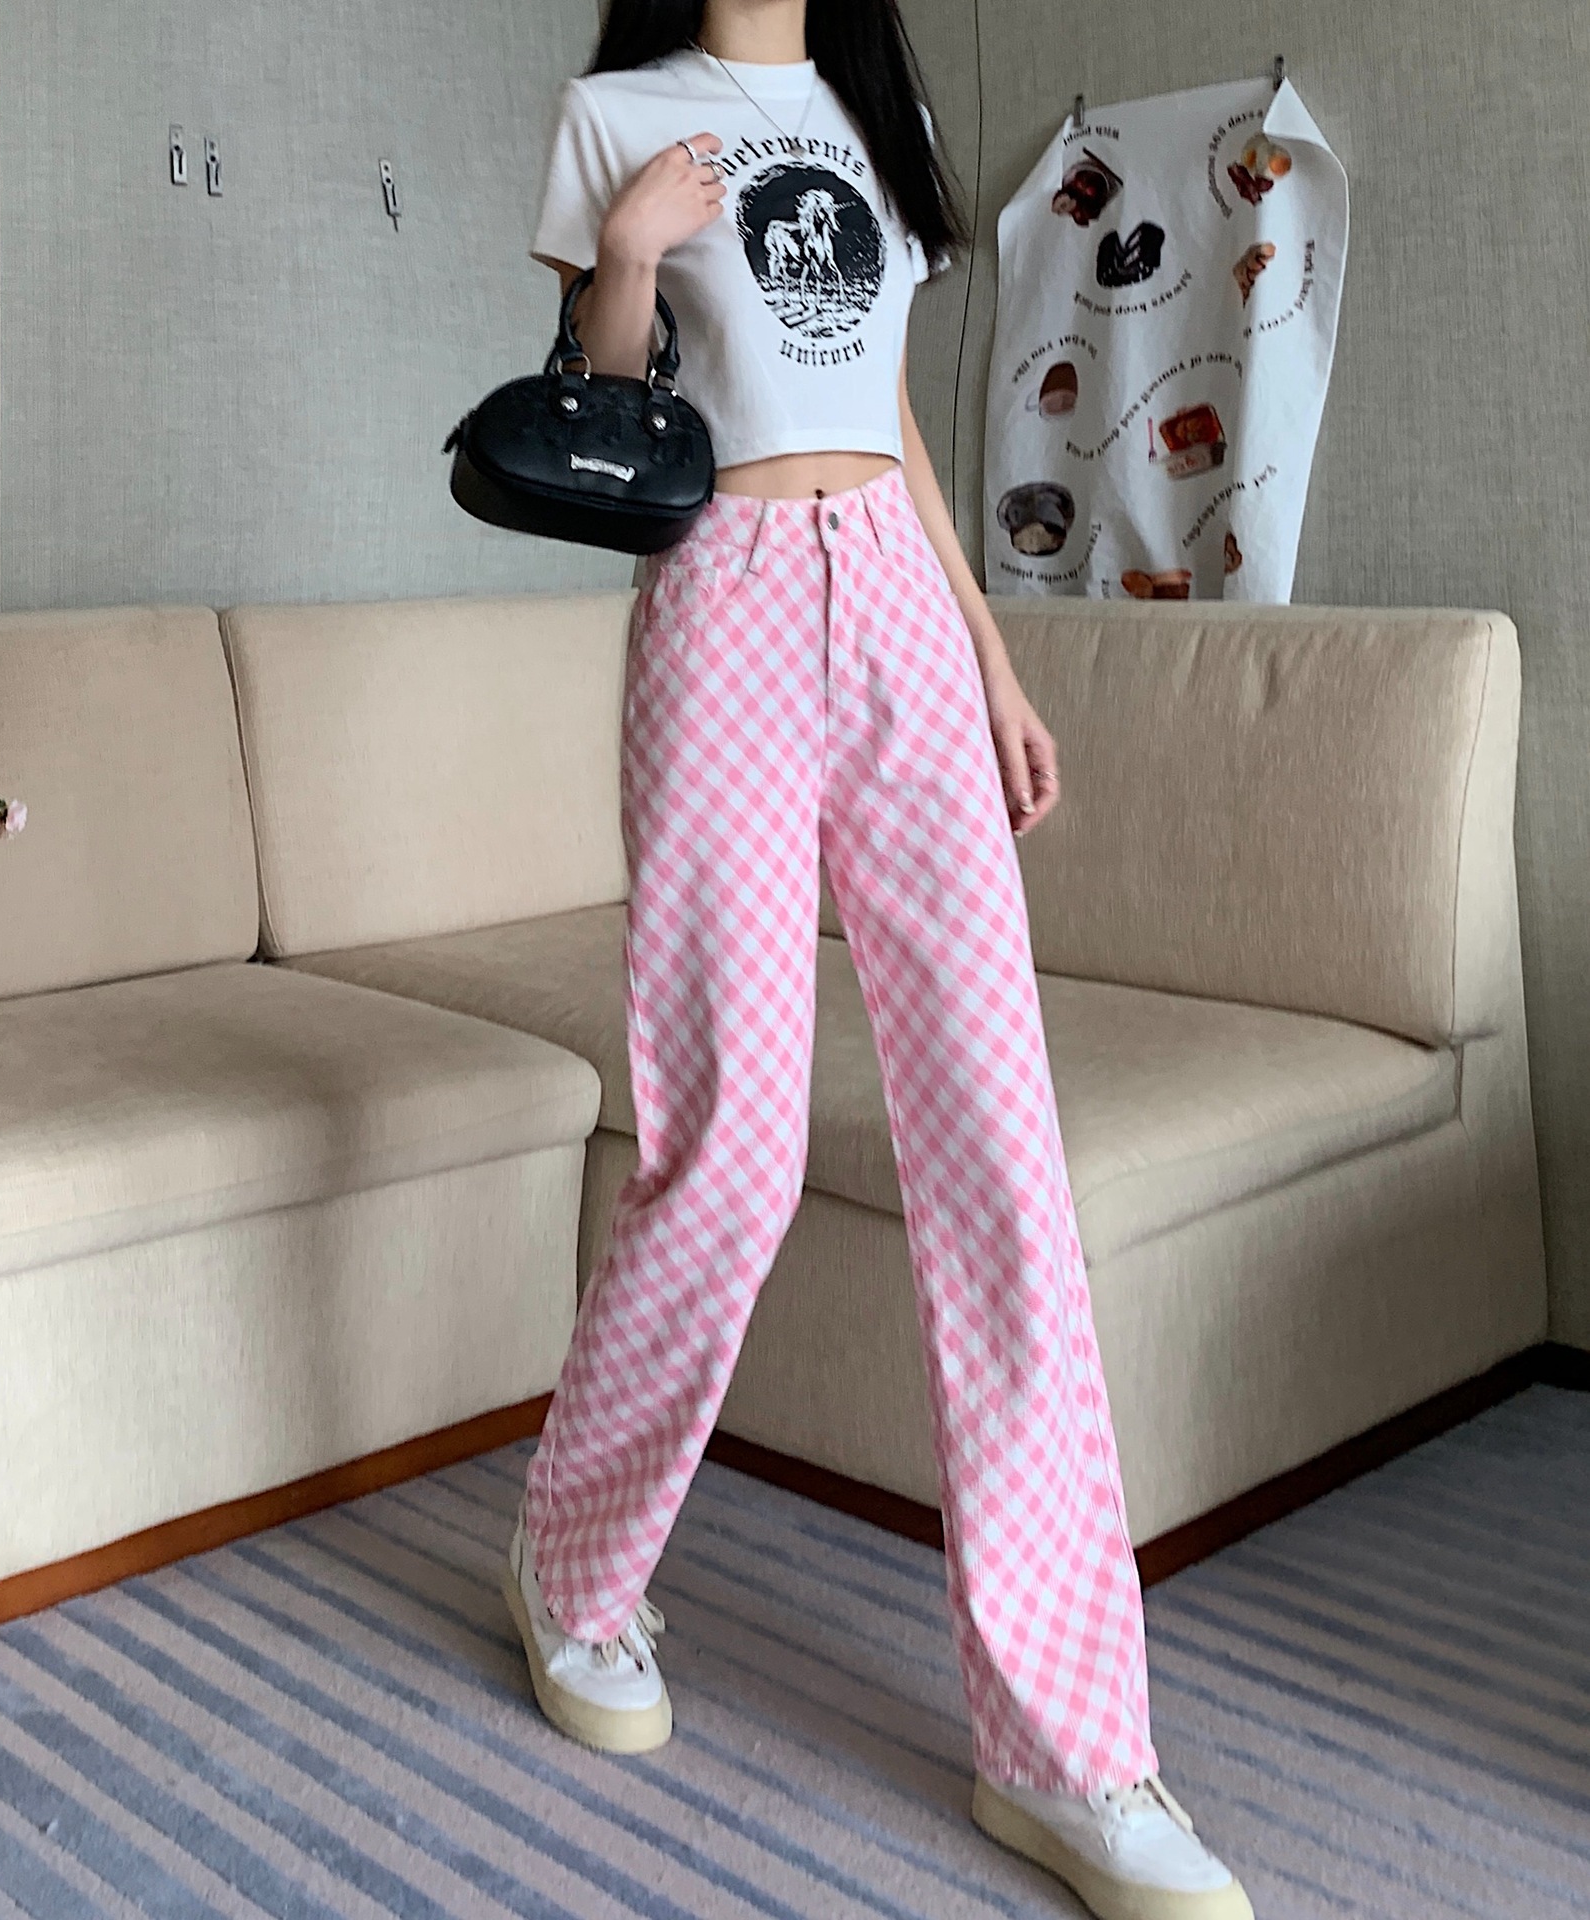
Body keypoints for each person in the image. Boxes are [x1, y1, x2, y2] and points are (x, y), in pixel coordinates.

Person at [502, 5, 1254, 1916]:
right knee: (732, 1149)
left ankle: (1072, 1745)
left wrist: (991, 657)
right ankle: (576, 1570)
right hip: (720, 608)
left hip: (903, 619)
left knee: (1003, 1160)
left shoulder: (877, 107)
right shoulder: (619, 112)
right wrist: (626, 254)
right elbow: (604, 393)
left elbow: (895, 415)